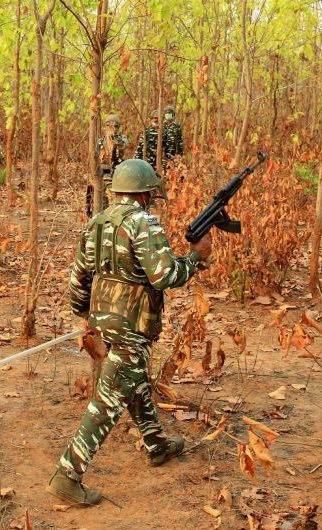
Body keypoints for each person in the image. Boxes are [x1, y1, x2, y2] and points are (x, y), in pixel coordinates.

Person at [47, 159, 212, 506]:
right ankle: (67, 475)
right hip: (132, 322)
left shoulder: (96, 222)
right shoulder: (143, 222)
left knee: (132, 380)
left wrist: (85, 315)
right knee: (109, 400)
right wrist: (195, 259)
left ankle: (156, 444)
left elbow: (79, 277)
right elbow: (165, 276)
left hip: (105, 318)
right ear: (146, 193)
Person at [94, 114, 129, 213]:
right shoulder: (101, 141)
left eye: (115, 126)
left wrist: (115, 138)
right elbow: (96, 155)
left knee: (115, 197)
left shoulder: (122, 138)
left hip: (118, 172)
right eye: (108, 126)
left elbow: (124, 145)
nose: (111, 128)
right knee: (102, 197)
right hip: (104, 173)